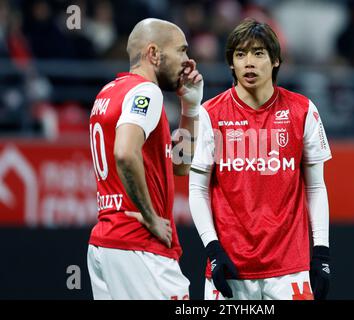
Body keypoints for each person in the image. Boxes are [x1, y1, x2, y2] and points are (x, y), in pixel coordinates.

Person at [189, 19, 331, 300]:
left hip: (290, 268)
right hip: (230, 267)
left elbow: (316, 187)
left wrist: (321, 252)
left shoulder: (303, 111)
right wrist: (213, 250)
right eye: (240, 55)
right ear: (231, 63)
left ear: (276, 60)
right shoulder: (209, 114)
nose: (248, 63)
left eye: (258, 53)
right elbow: (196, 188)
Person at [87, 18, 203, 299]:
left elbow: (180, 166)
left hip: (106, 243)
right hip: (140, 247)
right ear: (154, 53)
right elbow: (125, 153)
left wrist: (190, 107)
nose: (188, 60)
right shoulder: (146, 92)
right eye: (181, 50)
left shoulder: (108, 92)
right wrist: (151, 217)